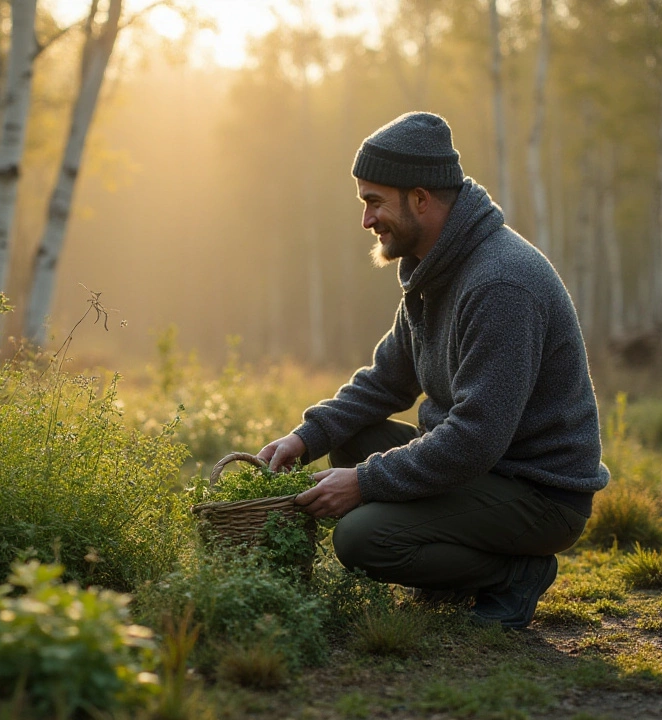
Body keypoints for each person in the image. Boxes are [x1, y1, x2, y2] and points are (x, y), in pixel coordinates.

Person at [256, 111, 610, 630]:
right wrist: (305, 438)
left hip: (539, 493)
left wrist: (365, 483)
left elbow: (477, 436)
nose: (366, 220)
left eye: (374, 201)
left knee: (361, 537)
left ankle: (512, 574)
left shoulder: (499, 284)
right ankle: (451, 563)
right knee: (351, 440)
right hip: (486, 468)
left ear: (420, 198)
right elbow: (385, 381)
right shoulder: (435, 270)